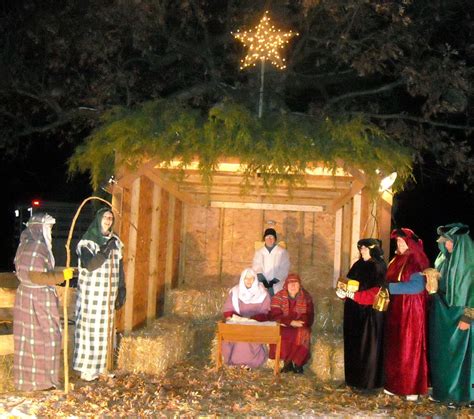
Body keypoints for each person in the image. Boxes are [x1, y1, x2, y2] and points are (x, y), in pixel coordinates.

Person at [13, 213, 74, 391]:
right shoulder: (36, 246)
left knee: (33, 340)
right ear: (39, 228)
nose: (51, 231)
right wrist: (61, 276)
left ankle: (40, 381)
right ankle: (42, 382)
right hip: (36, 299)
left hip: (30, 297)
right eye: (48, 227)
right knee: (47, 338)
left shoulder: (27, 244)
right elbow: (36, 276)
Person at [73, 208, 126, 381]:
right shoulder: (87, 243)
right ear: (98, 219)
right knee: (90, 331)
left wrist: (121, 288)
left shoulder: (115, 241)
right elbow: (90, 265)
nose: (108, 220)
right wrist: (104, 250)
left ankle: (104, 367)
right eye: (105, 217)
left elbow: (120, 267)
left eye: (111, 218)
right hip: (91, 296)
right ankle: (88, 369)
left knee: (106, 332)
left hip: (107, 297)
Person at [429, 223, 473, 406]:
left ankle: (464, 396)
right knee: (444, 356)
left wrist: (468, 316)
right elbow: (443, 286)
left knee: (463, 358)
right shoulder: (443, 259)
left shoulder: (470, 261)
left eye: (450, 242)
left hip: (462, 314)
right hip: (444, 314)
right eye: (445, 242)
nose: (446, 246)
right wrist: (433, 282)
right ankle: (445, 392)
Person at [383, 228, 430, 401]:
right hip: (397, 310)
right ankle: (395, 384)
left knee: (409, 347)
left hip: (411, 310)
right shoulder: (396, 259)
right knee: (396, 346)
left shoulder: (415, 260)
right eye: (397, 242)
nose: (399, 244)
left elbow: (416, 287)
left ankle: (411, 387)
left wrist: (391, 288)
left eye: (402, 242)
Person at [336, 238, 387, 391]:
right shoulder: (358, 264)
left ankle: (366, 383)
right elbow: (348, 283)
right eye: (361, 248)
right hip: (353, 312)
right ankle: (352, 381)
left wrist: (355, 297)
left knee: (367, 348)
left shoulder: (377, 267)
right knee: (353, 346)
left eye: (365, 248)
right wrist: (343, 293)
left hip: (368, 314)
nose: (362, 250)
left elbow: (376, 292)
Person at [221, 268, 271, 368]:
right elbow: (228, 309)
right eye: (246, 278)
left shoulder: (263, 294)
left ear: (255, 279)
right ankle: (234, 362)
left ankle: (251, 364)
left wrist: (253, 319)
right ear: (242, 279)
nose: (248, 281)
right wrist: (236, 318)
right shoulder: (235, 292)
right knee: (232, 336)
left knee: (250, 338)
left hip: (256, 324)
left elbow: (266, 312)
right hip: (238, 323)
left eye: (251, 278)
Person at [269, 273, 314, 373]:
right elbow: (275, 315)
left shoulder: (306, 297)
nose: (293, 286)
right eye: (290, 284)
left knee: (303, 332)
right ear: (286, 285)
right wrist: (290, 322)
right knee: (283, 333)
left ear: (300, 285)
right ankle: (287, 362)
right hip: (284, 324)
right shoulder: (278, 296)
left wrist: (302, 321)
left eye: (295, 283)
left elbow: (309, 314)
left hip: (300, 324)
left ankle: (298, 363)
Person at [252, 228, 290, 296]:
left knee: (275, 304)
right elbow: (256, 267)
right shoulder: (259, 252)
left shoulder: (282, 252)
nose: (269, 239)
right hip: (262, 286)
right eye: (267, 237)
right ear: (264, 239)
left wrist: (273, 282)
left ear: (275, 239)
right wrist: (265, 283)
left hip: (278, 286)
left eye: (271, 237)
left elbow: (284, 269)